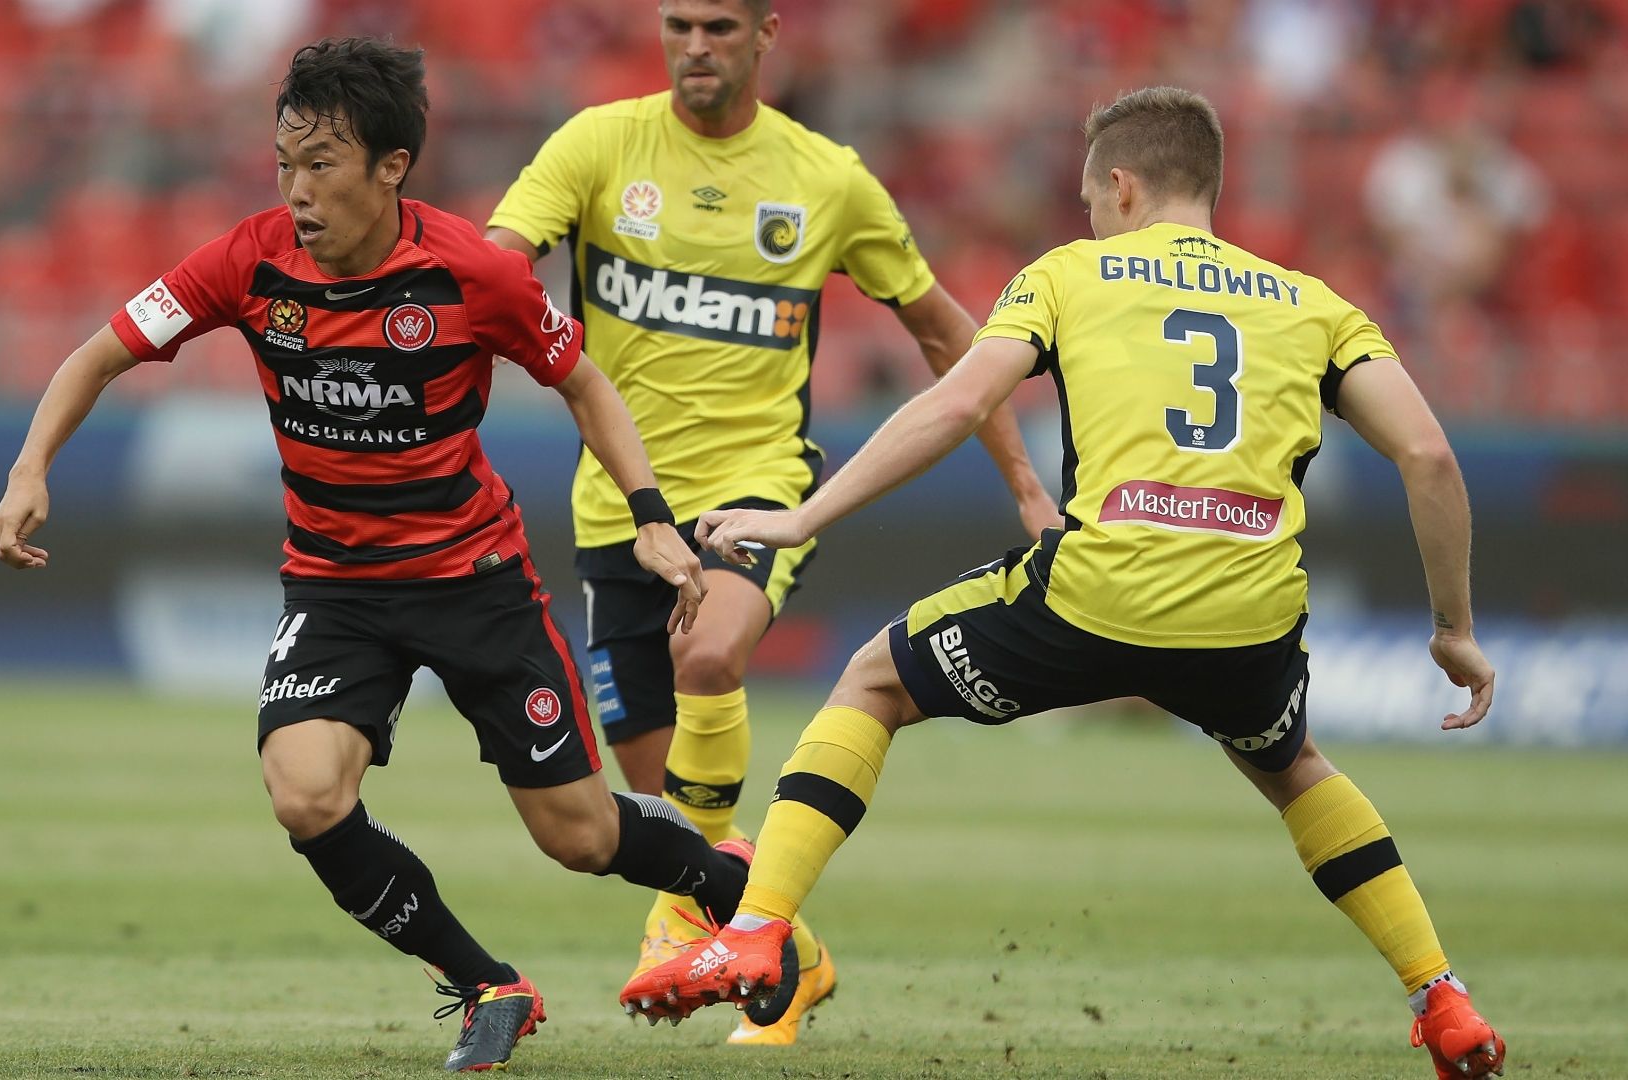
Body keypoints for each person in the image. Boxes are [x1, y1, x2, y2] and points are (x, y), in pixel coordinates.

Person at [620, 86, 1508, 1080]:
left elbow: (958, 403)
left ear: (1122, 186)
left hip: (1100, 586)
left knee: (872, 680)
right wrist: (1453, 628)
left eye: (1092, 195)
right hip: (1247, 612)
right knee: (1294, 766)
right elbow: (1427, 453)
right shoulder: (1312, 302)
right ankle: (1442, 996)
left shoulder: (1070, 274)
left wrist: (804, 516)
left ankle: (756, 929)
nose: (1089, 212)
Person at [0, 37, 770, 1074]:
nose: (297, 190)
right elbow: (99, 352)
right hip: (338, 586)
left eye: (322, 165)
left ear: (391, 167)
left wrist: (651, 513)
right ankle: (489, 983)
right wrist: (29, 469)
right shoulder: (248, 259)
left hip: (477, 583)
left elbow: (583, 380)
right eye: (285, 164)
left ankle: (748, 899)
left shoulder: (472, 272)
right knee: (306, 792)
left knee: (580, 840)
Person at [485, 0, 1059, 1044]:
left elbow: (944, 333)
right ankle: (789, 954)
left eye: (718, 27)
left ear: (766, 35)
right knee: (661, 806)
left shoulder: (825, 178)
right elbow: (493, 264)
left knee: (712, 657)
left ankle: (674, 931)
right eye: (678, 25)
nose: (695, 46)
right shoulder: (597, 144)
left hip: (754, 493)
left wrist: (1023, 479)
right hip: (618, 510)